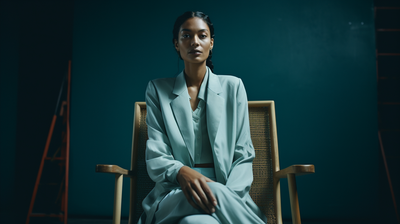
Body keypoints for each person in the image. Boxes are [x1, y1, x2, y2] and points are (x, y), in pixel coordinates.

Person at [138, 11, 267, 224]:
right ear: (176, 44)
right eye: (186, 36)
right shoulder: (157, 89)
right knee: (204, 197)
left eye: (202, 35)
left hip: (226, 190)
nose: (194, 42)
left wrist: (228, 196)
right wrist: (181, 172)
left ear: (212, 43)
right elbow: (156, 155)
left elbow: (243, 154)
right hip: (175, 193)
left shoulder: (233, 87)